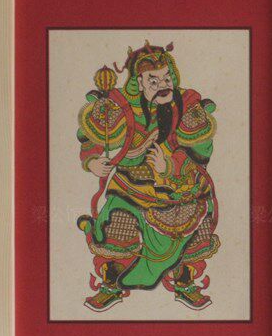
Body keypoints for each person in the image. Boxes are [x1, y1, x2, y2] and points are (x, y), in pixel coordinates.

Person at [76, 41, 219, 312]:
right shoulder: (120, 105)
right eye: (153, 80)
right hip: (131, 184)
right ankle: (111, 283)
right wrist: (92, 161)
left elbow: (201, 151)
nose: (163, 85)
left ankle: (185, 282)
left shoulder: (187, 104)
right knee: (119, 225)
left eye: (167, 78)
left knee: (195, 227)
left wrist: (170, 166)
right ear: (139, 83)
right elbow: (91, 135)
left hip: (179, 186)